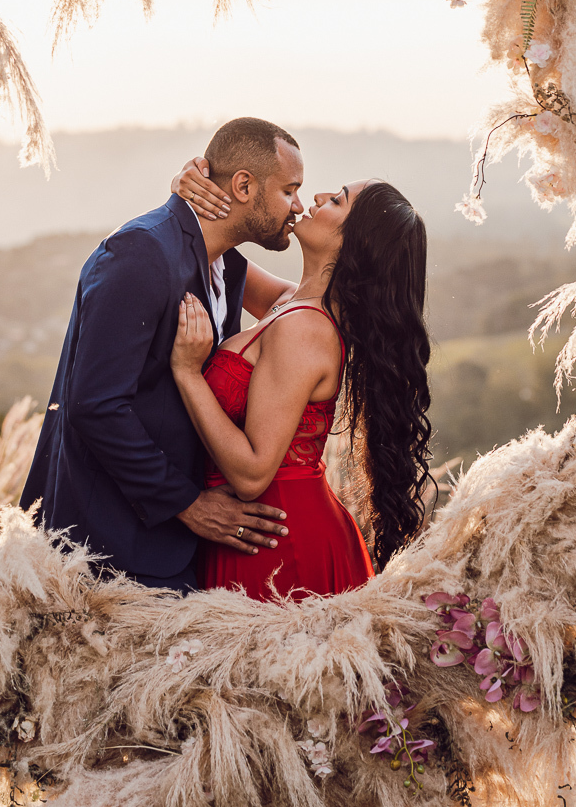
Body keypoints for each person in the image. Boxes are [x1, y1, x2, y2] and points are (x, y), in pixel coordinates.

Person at [19, 117, 306, 593]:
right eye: (289, 190)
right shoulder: (140, 252)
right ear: (243, 186)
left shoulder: (227, 264)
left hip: (174, 551)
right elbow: (95, 405)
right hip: (107, 553)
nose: (297, 206)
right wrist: (188, 505)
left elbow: (301, 309)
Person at [169, 165, 433, 600]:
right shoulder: (289, 302)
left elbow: (252, 474)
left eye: (338, 200)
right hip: (263, 529)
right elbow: (212, 248)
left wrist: (187, 373)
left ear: (355, 242)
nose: (318, 196)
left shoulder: (304, 330)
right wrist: (191, 192)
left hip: (278, 546)